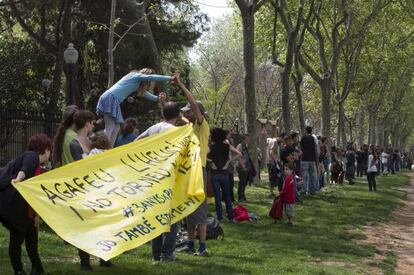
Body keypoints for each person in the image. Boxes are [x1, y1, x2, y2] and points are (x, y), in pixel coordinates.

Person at [135, 101, 181, 262]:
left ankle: (156, 254)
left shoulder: (154, 128)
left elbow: (137, 142)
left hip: (152, 177)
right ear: (178, 115)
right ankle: (167, 254)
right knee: (173, 217)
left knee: (156, 216)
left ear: (163, 114)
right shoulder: (176, 131)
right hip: (168, 177)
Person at [0, 134, 51, 275]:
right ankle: (19, 270)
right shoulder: (31, 156)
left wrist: (37, 215)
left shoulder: (40, 168)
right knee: (16, 241)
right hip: (18, 209)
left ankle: (37, 269)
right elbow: (25, 169)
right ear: (45, 149)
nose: (50, 154)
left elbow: (37, 194)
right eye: (49, 150)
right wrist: (18, 179)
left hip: (28, 211)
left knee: (31, 242)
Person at [68, 110, 113, 270]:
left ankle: (105, 257)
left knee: (103, 224)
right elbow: (81, 167)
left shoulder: (91, 141)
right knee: (85, 226)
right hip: (85, 190)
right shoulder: (74, 143)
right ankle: (85, 262)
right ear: (87, 124)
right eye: (92, 122)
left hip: (101, 189)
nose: (93, 125)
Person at [174, 76, 210, 256]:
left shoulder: (202, 126)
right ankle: (190, 244)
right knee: (189, 208)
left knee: (200, 210)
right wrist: (163, 103)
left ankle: (202, 247)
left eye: (189, 112)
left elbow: (194, 104)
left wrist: (180, 85)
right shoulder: (191, 127)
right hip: (190, 172)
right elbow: (173, 115)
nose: (186, 114)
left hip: (199, 172)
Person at [96, 68, 173, 145]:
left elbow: (147, 95)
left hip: (113, 100)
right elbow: (151, 77)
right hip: (110, 98)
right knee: (110, 126)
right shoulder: (134, 76)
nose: (152, 82)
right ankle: (101, 148)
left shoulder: (137, 84)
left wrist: (158, 98)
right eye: (151, 81)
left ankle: (108, 149)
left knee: (116, 128)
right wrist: (170, 78)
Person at [207, 128, 241, 222]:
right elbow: (239, 154)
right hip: (224, 173)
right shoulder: (227, 146)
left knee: (217, 197)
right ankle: (231, 217)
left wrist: (211, 162)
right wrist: (228, 162)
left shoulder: (211, 146)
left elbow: (203, 156)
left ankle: (220, 217)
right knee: (227, 196)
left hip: (214, 173)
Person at [300, 126, 319, 195]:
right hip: (312, 159)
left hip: (305, 159)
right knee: (312, 175)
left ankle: (304, 190)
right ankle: (312, 190)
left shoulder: (303, 138)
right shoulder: (314, 138)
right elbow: (316, 148)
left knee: (304, 176)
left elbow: (301, 147)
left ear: (305, 130)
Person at [236, 135, 254, 202]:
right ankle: (240, 197)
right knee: (242, 182)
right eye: (247, 139)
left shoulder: (245, 147)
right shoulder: (240, 146)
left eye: (248, 139)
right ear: (243, 139)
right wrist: (243, 166)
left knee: (245, 182)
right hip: (241, 167)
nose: (248, 141)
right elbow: (238, 156)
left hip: (246, 167)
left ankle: (243, 195)